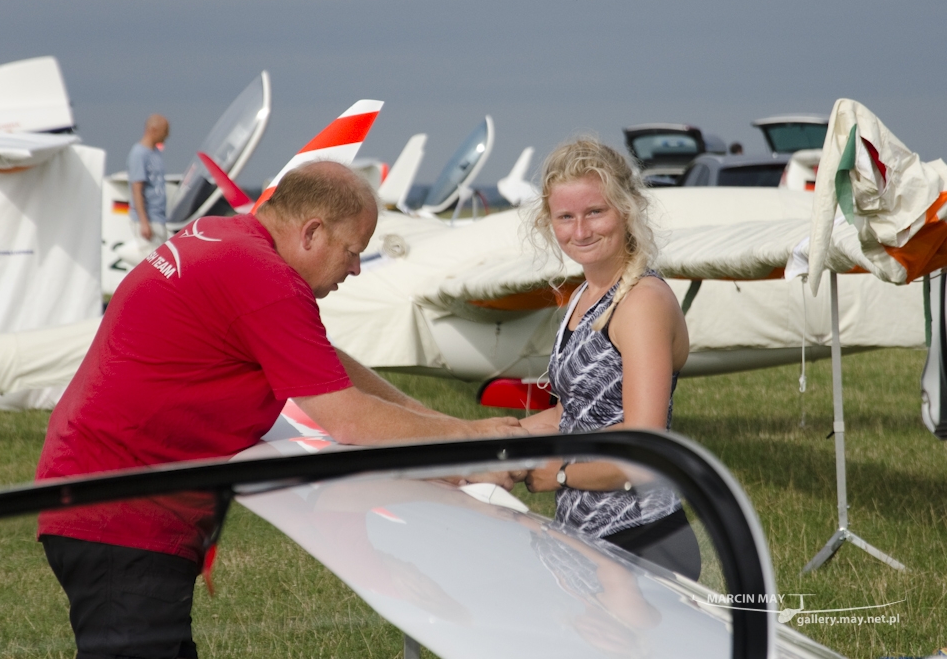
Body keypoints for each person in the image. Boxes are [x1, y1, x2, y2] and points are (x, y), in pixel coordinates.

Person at [35, 161, 523, 659]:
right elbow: (348, 419)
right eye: (352, 252)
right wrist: (465, 448)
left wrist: (452, 429)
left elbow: (325, 362)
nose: (355, 268)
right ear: (312, 232)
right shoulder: (264, 277)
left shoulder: (223, 235)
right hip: (123, 516)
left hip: (98, 495)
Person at [519, 138, 700, 580]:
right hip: (587, 539)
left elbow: (643, 447)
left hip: (641, 540)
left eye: (595, 212)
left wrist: (558, 475)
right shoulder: (585, 294)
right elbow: (581, 411)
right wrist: (497, 439)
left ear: (627, 210)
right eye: (566, 217)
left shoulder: (640, 302)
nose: (580, 231)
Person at [128, 114, 170, 257]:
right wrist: (144, 222)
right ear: (153, 129)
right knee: (153, 262)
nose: (167, 135)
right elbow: (137, 190)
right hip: (148, 219)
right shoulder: (139, 154)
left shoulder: (156, 153)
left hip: (159, 218)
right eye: (165, 131)